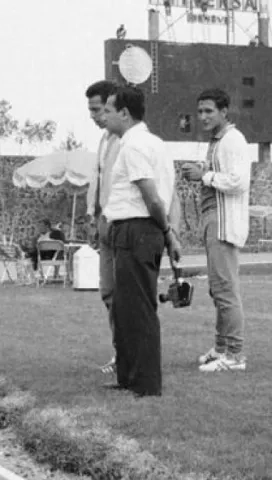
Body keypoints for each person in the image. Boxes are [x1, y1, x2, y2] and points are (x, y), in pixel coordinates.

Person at [100, 85, 181, 398]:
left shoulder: (135, 146)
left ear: (124, 113)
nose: (103, 117)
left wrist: (167, 232)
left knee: (139, 309)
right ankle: (128, 377)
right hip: (132, 229)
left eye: (108, 110)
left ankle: (145, 384)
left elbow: (153, 198)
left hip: (138, 229)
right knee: (125, 308)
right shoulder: (152, 143)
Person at [181, 88, 251, 373]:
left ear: (225, 112)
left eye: (209, 111)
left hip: (224, 224)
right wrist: (203, 169)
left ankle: (234, 354)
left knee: (225, 290)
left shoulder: (233, 140)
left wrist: (204, 175)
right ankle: (221, 348)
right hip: (213, 221)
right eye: (200, 111)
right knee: (217, 289)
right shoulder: (217, 142)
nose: (203, 116)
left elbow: (239, 181)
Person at [84, 80, 122, 375]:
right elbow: (97, 181)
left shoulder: (126, 140)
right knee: (108, 292)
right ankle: (120, 351)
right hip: (103, 222)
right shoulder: (104, 141)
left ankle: (128, 354)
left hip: (121, 222)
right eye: (91, 110)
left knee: (123, 293)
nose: (94, 116)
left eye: (98, 109)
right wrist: (91, 215)